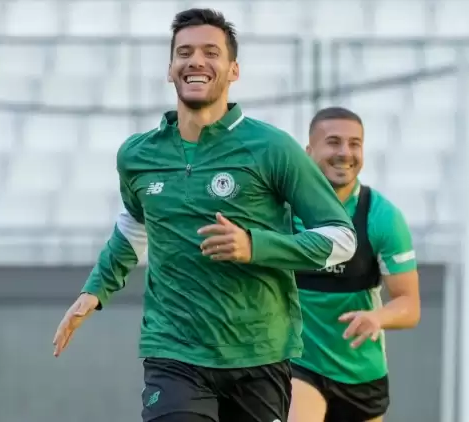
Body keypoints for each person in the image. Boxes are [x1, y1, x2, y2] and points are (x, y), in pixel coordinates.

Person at [52, 9, 357, 422]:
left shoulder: (273, 148)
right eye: (184, 53)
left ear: (233, 70)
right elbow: (136, 224)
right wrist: (95, 290)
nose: (195, 61)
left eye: (210, 52)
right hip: (174, 351)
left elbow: (341, 238)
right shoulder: (138, 155)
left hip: (259, 353)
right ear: (170, 69)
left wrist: (255, 246)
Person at [287, 107, 421, 422]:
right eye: (333, 142)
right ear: (309, 152)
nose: (345, 153)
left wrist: (377, 317)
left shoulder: (382, 217)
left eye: (355, 144)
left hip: (361, 373)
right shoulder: (281, 209)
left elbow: (409, 305)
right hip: (299, 363)